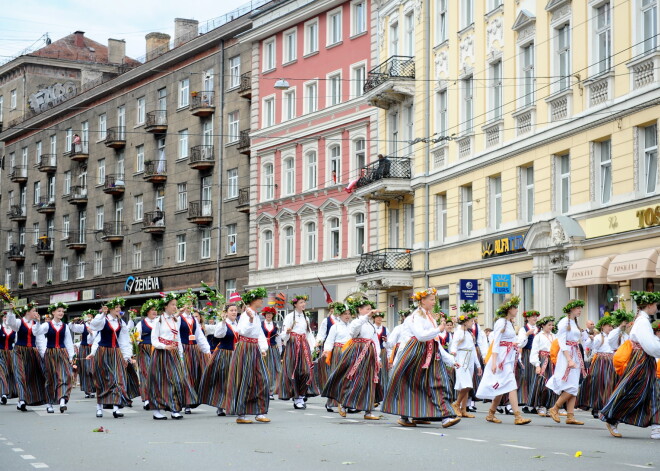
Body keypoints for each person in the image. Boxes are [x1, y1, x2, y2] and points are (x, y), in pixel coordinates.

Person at [382, 288, 460, 428]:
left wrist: (451, 360)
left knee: (438, 382)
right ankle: (406, 416)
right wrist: (439, 329)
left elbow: (435, 341)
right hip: (415, 354)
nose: (433, 302)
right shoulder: (415, 317)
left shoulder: (429, 317)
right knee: (411, 385)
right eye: (431, 299)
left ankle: (445, 417)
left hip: (429, 353)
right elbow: (421, 336)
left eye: (434, 299)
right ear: (422, 301)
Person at [600, 291, 660, 439]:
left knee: (652, 390)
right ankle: (611, 416)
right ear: (650, 305)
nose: (657, 309)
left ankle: (656, 427)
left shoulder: (642, 320)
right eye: (656, 306)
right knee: (634, 389)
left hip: (644, 359)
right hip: (642, 359)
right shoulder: (643, 322)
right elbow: (649, 345)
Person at [323, 295, 383, 421]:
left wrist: (378, 359)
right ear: (359, 310)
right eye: (367, 309)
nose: (369, 311)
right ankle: (343, 404)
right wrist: (366, 316)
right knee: (352, 379)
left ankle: (368, 411)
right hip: (357, 353)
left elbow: (375, 341)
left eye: (370, 309)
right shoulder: (356, 322)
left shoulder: (371, 325)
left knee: (369, 381)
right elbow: (354, 332)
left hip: (369, 354)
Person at [476, 296, 531, 425]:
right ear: (509, 308)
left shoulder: (509, 323)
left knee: (502, 386)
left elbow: (512, 341)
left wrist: (519, 342)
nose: (517, 310)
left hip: (508, 357)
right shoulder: (501, 322)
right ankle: (517, 416)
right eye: (515, 308)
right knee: (511, 384)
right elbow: (496, 343)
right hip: (501, 358)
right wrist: (494, 362)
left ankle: (491, 414)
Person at [221, 287, 271, 424]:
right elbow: (241, 331)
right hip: (245, 348)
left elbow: (259, 333)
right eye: (260, 299)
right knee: (245, 380)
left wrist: (263, 347)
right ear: (253, 300)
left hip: (255, 348)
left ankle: (260, 411)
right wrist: (249, 319)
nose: (262, 301)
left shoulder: (256, 315)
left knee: (262, 379)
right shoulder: (245, 315)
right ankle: (241, 414)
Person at [149, 293, 198, 420]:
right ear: (165, 306)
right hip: (162, 354)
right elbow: (154, 340)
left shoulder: (176, 319)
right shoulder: (158, 320)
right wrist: (164, 347)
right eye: (172, 305)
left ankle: (174, 408)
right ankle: (157, 410)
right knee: (161, 381)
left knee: (177, 380)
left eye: (176, 305)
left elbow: (178, 338)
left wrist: (181, 354)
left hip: (174, 353)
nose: (175, 307)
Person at [87, 299, 133, 418]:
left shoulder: (121, 322)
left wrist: (126, 356)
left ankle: (116, 408)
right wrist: (103, 313)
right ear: (110, 308)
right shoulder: (103, 319)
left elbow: (124, 340)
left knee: (118, 379)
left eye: (119, 307)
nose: (118, 309)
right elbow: (94, 325)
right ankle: (99, 407)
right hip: (103, 352)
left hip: (116, 352)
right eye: (116, 307)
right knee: (102, 380)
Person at [545, 300, 587, 426]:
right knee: (571, 385)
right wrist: (569, 359)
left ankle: (570, 416)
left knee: (574, 385)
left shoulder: (575, 322)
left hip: (575, 353)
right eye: (578, 308)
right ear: (571, 309)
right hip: (567, 355)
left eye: (580, 308)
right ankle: (555, 408)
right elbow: (562, 342)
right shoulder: (564, 322)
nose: (580, 310)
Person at [199, 303, 239, 416]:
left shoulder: (238, 324)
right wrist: (222, 322)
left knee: (234, 380)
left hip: (236, 354)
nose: (234, 312)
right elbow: (218, 335)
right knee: (223, 379)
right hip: (224, 354)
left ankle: (231, 404)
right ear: (226, 313)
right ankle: (220, 406)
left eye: (235, 310)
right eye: (231, 310)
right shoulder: (222, 324)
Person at [279, 294, 318, 409]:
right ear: (295, 305)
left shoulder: (306, 318)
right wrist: (287, 332)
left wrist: (313, 346)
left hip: (303, 346)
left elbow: (308, 333)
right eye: (301, 303)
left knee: (306, 371)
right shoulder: (290, 317)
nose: (303, 304)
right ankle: (297, 397)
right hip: (293, 345)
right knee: (294, 371)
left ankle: (301, 394)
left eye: (304, 302)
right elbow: (283, 335)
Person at [6, 301, 47, 411]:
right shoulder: (19, 322)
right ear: (28, 312)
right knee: (20, 375)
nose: (36, 313)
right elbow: (11, 323)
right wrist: (10, 310)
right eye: (34, 311)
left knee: (30, 376)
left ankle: (24, 400)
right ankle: (22, 399)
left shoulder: (36, 325)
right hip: (19, 350)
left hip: (32, 352)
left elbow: (40, 341)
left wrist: (43, 356)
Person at [37, 302, 74, 414]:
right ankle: (49, 404)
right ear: (53, 312)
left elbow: (69, 342)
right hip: (50, 352)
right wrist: (38, 322)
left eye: (62, 311)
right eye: (59, 311)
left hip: (62, 353)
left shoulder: (65, 326)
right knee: (50, 378)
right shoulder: (46, 325)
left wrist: (71, 356)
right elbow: (37, 333)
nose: (61, 313)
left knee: (65, 376)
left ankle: (62, 401)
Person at [177, 293, 210, 414]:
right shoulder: (179, 318)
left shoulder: (193, 319)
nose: (189, 306)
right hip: (184, 348)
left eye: (191, 303)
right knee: (185, 375)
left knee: (194, 374)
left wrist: (206, 349)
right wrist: (179, 350)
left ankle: (191, 400)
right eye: (187, 303)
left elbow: (199, 336)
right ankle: (186, 402)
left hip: (194, 349)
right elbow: (175, 335)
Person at [577, 315, 615, 419]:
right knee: (598, 383)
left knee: (609, 384)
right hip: (601, 361)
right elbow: (589, 346)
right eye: (608, 326)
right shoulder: (599, 337)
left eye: (611, 326)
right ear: (603, 327)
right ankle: (596, 407)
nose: (610, 328)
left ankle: (606, 407)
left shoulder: (613, 337)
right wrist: (592, 339)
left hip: (611, 361)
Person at [321, 302, 352, 413]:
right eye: (345, 314)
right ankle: (330, 402)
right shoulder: (335, 326)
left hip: (349, 352)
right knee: (336, 376)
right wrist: (327, 350)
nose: (347, 316)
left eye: (349, 314)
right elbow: (329, 340)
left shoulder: (352, 326)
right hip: (338, 352)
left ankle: (347, 402)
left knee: (348, 377)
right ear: (339, 315)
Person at [450, 311, 482, 419]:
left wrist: (478, 365)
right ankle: (456, 404)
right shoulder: (459, 332)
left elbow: (473, 350)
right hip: (461, 358)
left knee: (467, 386)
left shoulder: (469, 333)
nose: (473, 323)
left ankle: (463, 409)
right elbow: (453, 345)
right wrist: (453, 354)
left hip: (469, 359)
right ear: (465, 322)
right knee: (466, 384)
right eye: (471, 321)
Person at [528, 316, 557, 417]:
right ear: (543, 325)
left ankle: (550, 406)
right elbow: (534, 351)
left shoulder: (554, 336)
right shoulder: (538, 336)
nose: (551, 327)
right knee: (542, 384)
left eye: (552, 325)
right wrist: (537, 365)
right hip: (543, 360)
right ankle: (541, 405)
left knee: (552, 384)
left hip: (552, 361)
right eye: (549, 325)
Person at [135, 299, 159, 410]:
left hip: (158, 349)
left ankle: (158, 397)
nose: (155, 312)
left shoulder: (159, 321)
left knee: (157, 374)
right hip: (145, 349)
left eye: (156, 310)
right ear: (147, 312)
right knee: (145, 373)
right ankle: (147, 399)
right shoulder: (141, 323)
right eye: (152, 310)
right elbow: (136, 337)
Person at [69, 310, 97, 399]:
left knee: (92, 369)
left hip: (93, 349)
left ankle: (93, 389)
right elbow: (71, 327)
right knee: (85, 370)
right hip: (84, 348)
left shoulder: (97, 327)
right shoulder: (83, 326)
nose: (89, 319)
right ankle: (87, 390)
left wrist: (91, 333)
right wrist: (74, 321)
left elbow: (95, 339)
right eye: (87, 317)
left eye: (90, 317)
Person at [517, 310, 540, 413]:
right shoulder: (523, 329)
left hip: (537, 355)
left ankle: (534, 404)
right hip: (527, 354)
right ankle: (525, 403)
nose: (535, 318)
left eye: (536, 317)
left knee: (536, 378)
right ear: (527, 318)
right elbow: (520, 344)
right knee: (527, 377)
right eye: (533, 317)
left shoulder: (539, 329)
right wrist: (527, 334)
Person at [261, 306, 281, 400]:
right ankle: (263, 389)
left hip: (273, 349)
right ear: (264, 315)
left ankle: (271, 391)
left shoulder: (276, 325)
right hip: (263, 349)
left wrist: (280, 351)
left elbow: (278, 339)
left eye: (270, 314)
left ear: (273, 315)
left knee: (274, 370)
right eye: (267, 314)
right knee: (264, 369)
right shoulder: (260, 325)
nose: (269, 315)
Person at [0, 312, 17, 404]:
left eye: (7, 317)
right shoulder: (0, 328)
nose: (6, 319)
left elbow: (16, 342)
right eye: (4, 317)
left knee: (9, 373)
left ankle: (8, 392)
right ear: (2, 318)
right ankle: (3, 394)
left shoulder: (14, 330)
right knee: (1, 373)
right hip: (0, 352)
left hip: (11, 353)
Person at [373, 312, 389, 386]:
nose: (379, 319)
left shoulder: (386, 329)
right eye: (377, 317)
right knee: (374, 369)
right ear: (374, 318)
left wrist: (386, 340)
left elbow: (389, 343)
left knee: (383, 371)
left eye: (381, 317)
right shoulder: (371, 328)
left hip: (382, 352)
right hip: (373, 352)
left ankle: (383, 389)